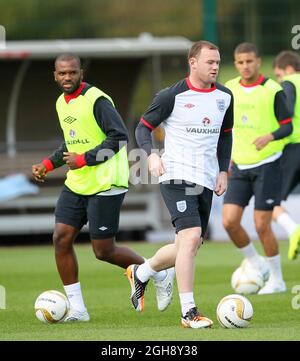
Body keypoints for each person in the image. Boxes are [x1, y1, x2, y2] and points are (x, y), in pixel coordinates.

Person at [32, 53, 174, 322]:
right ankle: (78, 310)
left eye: (72, 73)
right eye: (62, 73)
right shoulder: (61, 103)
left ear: (81, 74)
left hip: (107, 182)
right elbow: (70, 146)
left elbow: (119, 137)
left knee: (103, 251)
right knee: (61, 239)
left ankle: (157, 270)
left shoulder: (97, 100)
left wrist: (84, 159)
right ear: (55, 76)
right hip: (78, 183)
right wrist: (47, 165)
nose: (67, 78)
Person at [125, 40, 233, 328]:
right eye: (210, 62)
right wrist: (150, 156)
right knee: (191, 235)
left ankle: (143, 272)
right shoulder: (171, 95)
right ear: (193, 62)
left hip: (206, 178)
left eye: (218, 63)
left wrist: (223, 171)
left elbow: (225, 135)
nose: (215, 67)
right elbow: (142, 127)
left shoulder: (225, 96)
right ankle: (189, 313)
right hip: (175, 175)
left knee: (191, 243)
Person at [222, 43, 292, 295]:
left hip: (268, 165)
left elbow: (288, 126)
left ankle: (277, 280)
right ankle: (256, 262)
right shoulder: (228, 89)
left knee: (262, 225)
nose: (245, 66)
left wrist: (269, 136)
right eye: (240, 62)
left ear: (258, 61)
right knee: (229, 222)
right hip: (239, 167)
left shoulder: (273, 90)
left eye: (249, 61)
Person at [272, 50, 300, 260]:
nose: (279, 80)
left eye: (278, 75)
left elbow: (288, 110)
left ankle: (293, 230)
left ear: (288, 69)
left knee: (270, 201)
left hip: (294, 148)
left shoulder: (290, 82)